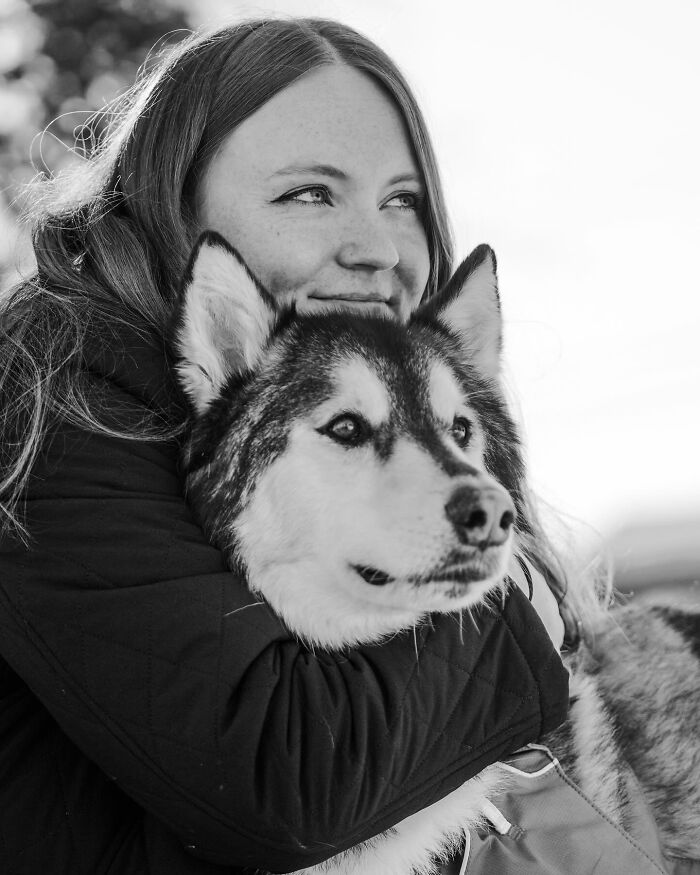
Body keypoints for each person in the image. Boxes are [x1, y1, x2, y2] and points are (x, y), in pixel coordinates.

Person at [0, 17, 572, 875]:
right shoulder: (58, 398)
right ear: (172, 201)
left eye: (401, 201)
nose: (377, 249)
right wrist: (522, 603)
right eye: (310, 192)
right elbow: (285, 774)